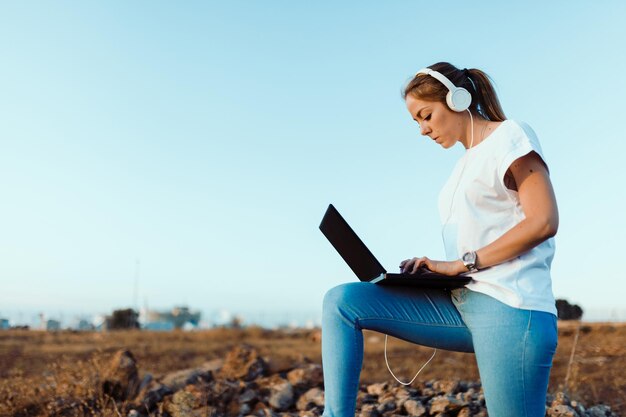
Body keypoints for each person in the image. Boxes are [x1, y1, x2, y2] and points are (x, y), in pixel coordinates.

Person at [321, 62, 559, 417]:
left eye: (426, 115)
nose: (422, 129)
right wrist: (433, 273)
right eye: (416, 121)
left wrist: (460, 264)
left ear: (458, 99)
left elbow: (543, 221)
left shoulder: (510, 136)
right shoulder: (459, 169)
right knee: (343, 301)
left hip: (511, 305)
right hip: (459, 302)